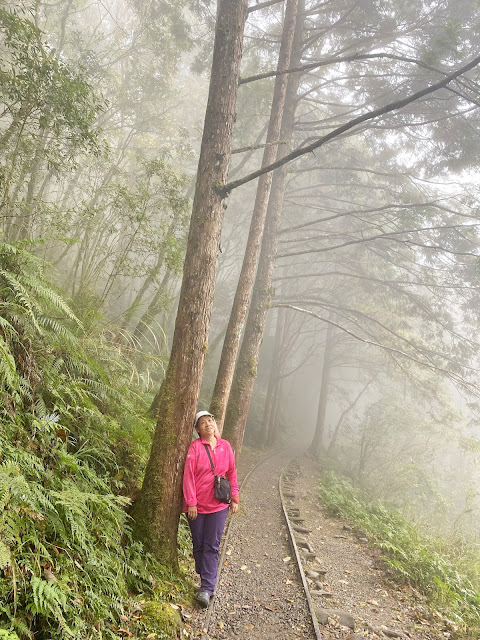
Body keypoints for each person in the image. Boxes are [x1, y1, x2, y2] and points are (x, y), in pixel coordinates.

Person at [183, 411, 239, 608]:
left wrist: (234, 497)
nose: (208, 424)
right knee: (198, 544)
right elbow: (188, 476)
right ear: (197, 430)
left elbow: (232, 472)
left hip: (219, 506)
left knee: (212, 546)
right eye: (203, 422)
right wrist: (191, 502)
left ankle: (206, 588)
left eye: (210, 421)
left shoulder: (225, 446)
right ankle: (204, 571)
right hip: (197, 507)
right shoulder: (194, 448)